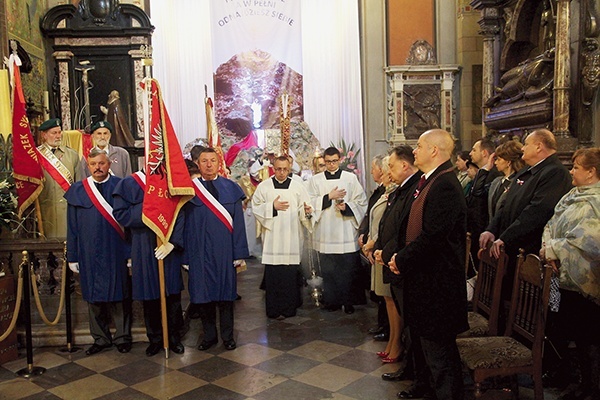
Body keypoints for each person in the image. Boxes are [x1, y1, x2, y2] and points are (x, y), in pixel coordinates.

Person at [388, 129, 468, 400]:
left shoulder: (445, 184)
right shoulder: (429, 180)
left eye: (419, 146)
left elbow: (433, 236)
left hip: (438, 285)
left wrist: (402, 258)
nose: (414, 151)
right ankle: (428, 389)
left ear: (434, 151)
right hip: (424, 280)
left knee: (440, 355)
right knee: (428, 349)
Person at [540, 148, 600, 400]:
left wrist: (553, 250)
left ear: (592, 171)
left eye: (576, 167)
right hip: (562, 278)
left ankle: (594, 387)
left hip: (586, 280)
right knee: (571, 330)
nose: (571, 171)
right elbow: (552, 224)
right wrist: (548, 249)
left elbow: (590, 240)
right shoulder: (572, 195)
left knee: (590, 335)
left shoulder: (596, 200)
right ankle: (580, 381)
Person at [480, 129, 572, 286]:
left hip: (527, 249)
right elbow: (506, 205)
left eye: (526, 144)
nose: (522, 148)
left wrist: (506, 237)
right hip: (510, 246)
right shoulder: (526, 171)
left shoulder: (555, 173)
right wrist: (492, 230)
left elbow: (537, 211)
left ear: (538, 146)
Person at [65, 148, 131, 355]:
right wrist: (73, 256)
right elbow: (72, 226)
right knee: (93, 295)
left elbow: (129, 224)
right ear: (88, 166)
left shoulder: (122, 186)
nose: (98, 168)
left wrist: (130, 253)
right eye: (93, 164)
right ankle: (100, 339)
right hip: (89, 252)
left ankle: (122, 337)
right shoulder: (78, 190)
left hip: (116, 250)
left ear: (109, 163)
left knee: (120, 294)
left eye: (101, 163)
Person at [112, 170, 185, 357]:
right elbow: (121, 214)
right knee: (149, 295)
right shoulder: (129, 183)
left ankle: (174, 338)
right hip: (143, 245)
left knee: (172, 295)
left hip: (167, 244)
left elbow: (180, 211)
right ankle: (155, 339)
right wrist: (149, 209)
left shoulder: (171, 180)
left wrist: (174, 242)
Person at [183, 148, 249, 351]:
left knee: (226, 296)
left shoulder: (231, 188)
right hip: (198, 251)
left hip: (224, 252)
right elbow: (183, 225)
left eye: (212, 160)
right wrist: (185, 255)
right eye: (204, 161)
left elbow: (238, 224)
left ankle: (228, 336)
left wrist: (238, 254)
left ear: (218, 162)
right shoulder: (188, 190)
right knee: (203, 297)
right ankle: (209, 336)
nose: (209, 164)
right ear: (198, 164)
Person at [373, 145, 423, 383]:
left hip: (402, 260)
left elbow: (406, 230)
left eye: (390, 166)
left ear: (404, 166)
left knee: (410, 319)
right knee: (403, 312)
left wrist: (388, 251)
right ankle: (411, 368)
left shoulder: (415, 188)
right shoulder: (403, 189)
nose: (387, 171)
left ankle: (413, 369)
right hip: (393, 257)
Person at [307, 146, 368, 314]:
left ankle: (348, 302)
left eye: (334, 161)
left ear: (340, 160)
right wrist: (328, 198)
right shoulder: (316, 180)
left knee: (347, 269)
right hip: (326, 231)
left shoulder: (350, 178)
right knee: (329, 269)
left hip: (345, 230)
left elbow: (361, 201)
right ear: (324, 161)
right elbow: (309, 203)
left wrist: (346, 207)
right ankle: (332, 301)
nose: (331, 165)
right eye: (328, 162)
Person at [252, 156, 312, 319]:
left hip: (292, 237)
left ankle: (288, 309)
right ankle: (273, 309)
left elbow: (305, 209)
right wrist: (272, 207)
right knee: (274, 276)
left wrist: (307, 212)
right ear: (273, 168)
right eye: (278, 169)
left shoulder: (298, 187)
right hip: (273, 239)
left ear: (290, 168)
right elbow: (255, 207)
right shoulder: (264, 187)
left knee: (289, 276)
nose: (282, 172)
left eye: (285, 169)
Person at [362, 156, 403, 363]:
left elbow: (389, 226)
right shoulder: (386, 193)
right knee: (387, 300)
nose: (387, 173)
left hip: (385, 252)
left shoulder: (395, 194)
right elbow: (375, 220)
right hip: (379, 251)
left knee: (392, 300)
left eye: (390, 169)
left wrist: (374, 244)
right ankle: (392, 342)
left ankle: (396, 342)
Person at [358, 155, 388, 340]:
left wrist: (372, 242)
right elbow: (370, 215)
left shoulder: (388, 192)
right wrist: (363, 233)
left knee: (385, 293)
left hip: (380, 247)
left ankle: (386, 328)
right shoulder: (379, 191)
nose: (371, 171)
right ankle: (382, 324)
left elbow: (383, 222)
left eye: (373, 168)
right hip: (373, 244)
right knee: (380, 294)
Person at [37, 118, 81, 238]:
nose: (58, 136)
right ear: (44, 135)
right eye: (54, 133)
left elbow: (79, 185)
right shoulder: (36, 156)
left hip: (68, 211)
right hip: (46, 211)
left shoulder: (72, 155)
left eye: (59, 132)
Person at [467, 137, 502, 275]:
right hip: (476, 229)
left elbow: (478, 197)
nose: (470, 153)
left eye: (474, 150)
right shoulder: (483, 172)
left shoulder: (493, 174)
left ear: (484, 153)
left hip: (483, 227)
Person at [487, 140, 525, 220]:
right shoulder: (497, 181)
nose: (495, 163)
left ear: (508, 162)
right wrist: (486, 169)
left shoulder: (518, 183)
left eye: (498, 159)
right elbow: (477, 192)